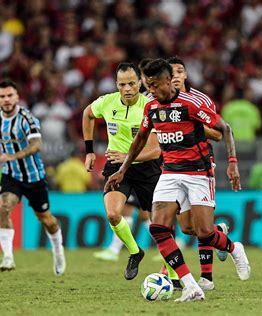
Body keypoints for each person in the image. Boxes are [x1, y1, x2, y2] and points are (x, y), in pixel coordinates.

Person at [105, 59, 250, 302]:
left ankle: (234, 248)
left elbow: (225, 129)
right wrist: (123, 169)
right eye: (147, 85)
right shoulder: (150, 106)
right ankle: (190, 285)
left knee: (203, 232)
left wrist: (233, 163)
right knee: (159, 228)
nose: (149, 90)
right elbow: (140, 139)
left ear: (166, 81)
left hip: (198, 173)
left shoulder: (191, 104)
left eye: (153, 85)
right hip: (170, 173)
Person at [82, 62, 162, 280]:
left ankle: (174, 274)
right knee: (113, 213)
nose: (127, 89)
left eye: (131, 83)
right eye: (122, 84)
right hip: (116, 166)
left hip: (147, 168)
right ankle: (135, 252)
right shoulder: (107, 102)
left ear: (139, 83)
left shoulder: (150, 107)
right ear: (116, 84)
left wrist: (127, 157)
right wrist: (89, 151)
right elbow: (87, 114)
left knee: (161, 225)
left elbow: (155, 151)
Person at [0, 79, 66, 275]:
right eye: (2, 96)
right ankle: (8, 257)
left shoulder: (27, 119)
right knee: (4, 208)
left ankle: (58, 249)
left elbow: (37, 145)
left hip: (34, 177)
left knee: (46, 220)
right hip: (11, 176)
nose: (6, 100)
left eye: (9, 95)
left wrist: (12, 156)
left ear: (17, 97)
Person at [167, 56, 228, 291]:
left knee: (200, 225)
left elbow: (218, 133)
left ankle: (207, 279)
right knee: (187, 228)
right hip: (173, 165)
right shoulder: (156, 101)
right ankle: (219, 233)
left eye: (179, 71)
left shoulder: (200, 99)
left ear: (185, 75)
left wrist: (190, 121)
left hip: (201, 163)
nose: (175, 75)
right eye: (170, 72)